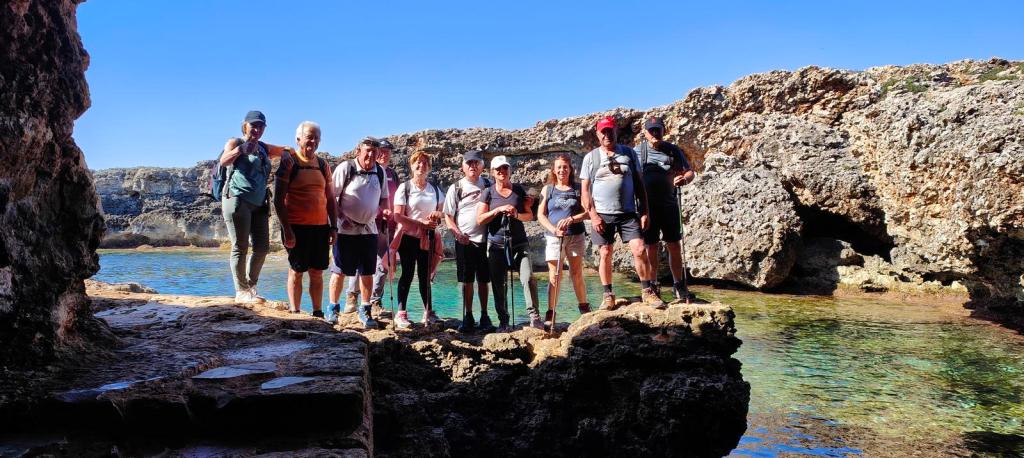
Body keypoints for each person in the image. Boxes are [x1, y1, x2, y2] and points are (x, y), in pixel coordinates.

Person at [580, 116, 664, 309]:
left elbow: (639, 184)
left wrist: (645, 211)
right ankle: (608, 294)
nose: (607, 135)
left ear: (616, 131)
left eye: (610, 131)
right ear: (597, 134)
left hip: (627, 212)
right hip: (602, 214)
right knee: (605, 252)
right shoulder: (591, 158)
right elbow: (584, 190)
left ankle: (647, 291)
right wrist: (593, 215)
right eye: (604, 131)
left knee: (639, 249)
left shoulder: (628, 154)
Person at [218, 110, 291, 304]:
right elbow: (224, 161)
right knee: (240, 247)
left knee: (262, 248)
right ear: (245, 126)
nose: (257, 129)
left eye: (261, 126)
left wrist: (287, 155)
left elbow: (287, 149)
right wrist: (240, 151)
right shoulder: (235, 142)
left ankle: (250, 286)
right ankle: (241, 291)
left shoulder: (264, 148)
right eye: (253, 125)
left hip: (259, 204)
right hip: (237, 200)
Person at [272, 121, 337, 316]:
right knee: (297, 271)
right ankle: (295, 311)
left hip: (320, 227)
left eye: (317, 137)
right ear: (298, 139)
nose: (313, 141)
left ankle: (317, 312)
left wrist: (333, 227)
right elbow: (277, 200)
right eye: (310, 136)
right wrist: (287, 230)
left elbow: (330, 198)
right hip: (296, 227)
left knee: (317, 272)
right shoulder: (289, 163)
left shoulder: (323, 164)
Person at [327, 137, 390, 328]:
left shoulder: (380, 172)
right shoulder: (346, 169)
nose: (371, 154)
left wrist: (385, 211)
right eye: (367, 150)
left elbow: (385, 199)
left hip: (369, 230)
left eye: (374, 151)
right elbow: (330, 197)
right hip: (346, 231)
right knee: (339, 271)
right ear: (358, 151)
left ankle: (365, 309)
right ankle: (333, 308)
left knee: (367, 272)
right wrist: (340, 219)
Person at [477, 155, 541, 331]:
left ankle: (534, 317)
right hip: (496, 245)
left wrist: (516, 214)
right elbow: (480, 219)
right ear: (492, 173)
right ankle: (503, 320)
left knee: (527, 278)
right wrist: (498, 210)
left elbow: (529, 216)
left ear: (509, 170)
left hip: (519, 243)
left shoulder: (519, 190)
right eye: (498, 169)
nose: (501, 172)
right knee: (499, 284)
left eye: (504, 168)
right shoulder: (488, 193)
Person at [637, 116, 696, 301]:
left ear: (664, 131)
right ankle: (653, 285)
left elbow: (690, 171)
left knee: (674, 245)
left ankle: (678, 285)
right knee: (651, 247)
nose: (655, 133)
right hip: (648, 208)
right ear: (645, 133)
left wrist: (684, 178)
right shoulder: (638, 152)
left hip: (669, 205)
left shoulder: (673, 150)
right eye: (651, 130)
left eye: (658, 130)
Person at [342, 139, 399, 313]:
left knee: (383, 264)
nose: (384, 153)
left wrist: (395, 223)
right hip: (364, 224)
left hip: (385, 226)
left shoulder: (391, 174)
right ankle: (352, 297)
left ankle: (375, 301)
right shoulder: (365, 171)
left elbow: (392, 200)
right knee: (360, 262)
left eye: (388, 151)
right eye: (381, 150)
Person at [391, 151, 445, 328]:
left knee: (425, 276)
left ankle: (428, 312)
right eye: (417, 163)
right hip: (408, 237)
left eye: (424, 163)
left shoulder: (435, 190)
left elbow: (443, 212)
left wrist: (438, 214)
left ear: (429, 167)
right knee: (407, 273)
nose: (420, 166)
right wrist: (419, 222)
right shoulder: (405, 188)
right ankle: (401, 314)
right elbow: (397, 216)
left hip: (427, 238)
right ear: (411, 166)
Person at [444, 150, 495, 333]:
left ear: (482, 166)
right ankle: (468, 315)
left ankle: (484, 315)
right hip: (464, 241)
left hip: (485, 240)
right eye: (469, 163)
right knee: (466, 280)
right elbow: (448, 216)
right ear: (463, 167)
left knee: (483, 279)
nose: (473, 166)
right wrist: (457, 234)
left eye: (476, 163)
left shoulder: (489, 185)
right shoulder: (456, 188)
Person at [537, 154, 590, 322]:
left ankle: (584, 307)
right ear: (554, 170)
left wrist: (573, 219)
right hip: (554, 237)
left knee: (576, 273)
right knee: (555, 275)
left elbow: (589, 211)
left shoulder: (578, 188)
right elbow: (540, 214)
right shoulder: (548, 189)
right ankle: (551, 312)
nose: (562, 170)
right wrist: (553, 229)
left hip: (576, 235)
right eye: (559, 167)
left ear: (570, 169)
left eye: (565, 167)